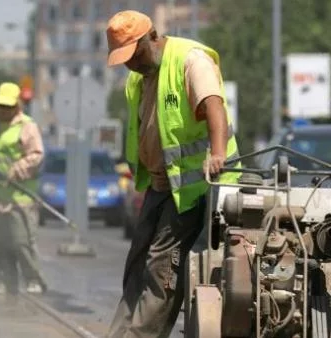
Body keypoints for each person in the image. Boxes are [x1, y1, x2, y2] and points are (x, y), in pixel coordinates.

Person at [104, 10, 242, 338]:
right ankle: (119, 333)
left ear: (152, 38)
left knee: (161, 264)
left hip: (197, 186)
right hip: (162, 183)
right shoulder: (139, 77)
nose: (131, 65)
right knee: (137, 261)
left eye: (134, 56)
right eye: (124, 60)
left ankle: (142, 335)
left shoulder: (189, 60)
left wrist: (218, 153)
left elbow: (213, 106)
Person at [0, 82, 48, 296]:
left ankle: (33, 279)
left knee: (21, 241)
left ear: (17, 105)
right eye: (0, 105)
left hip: (20, 195)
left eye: (8, 106)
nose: (3, 110)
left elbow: (36, 155)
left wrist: (14, 170)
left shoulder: (27, 126)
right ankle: (5, 279)